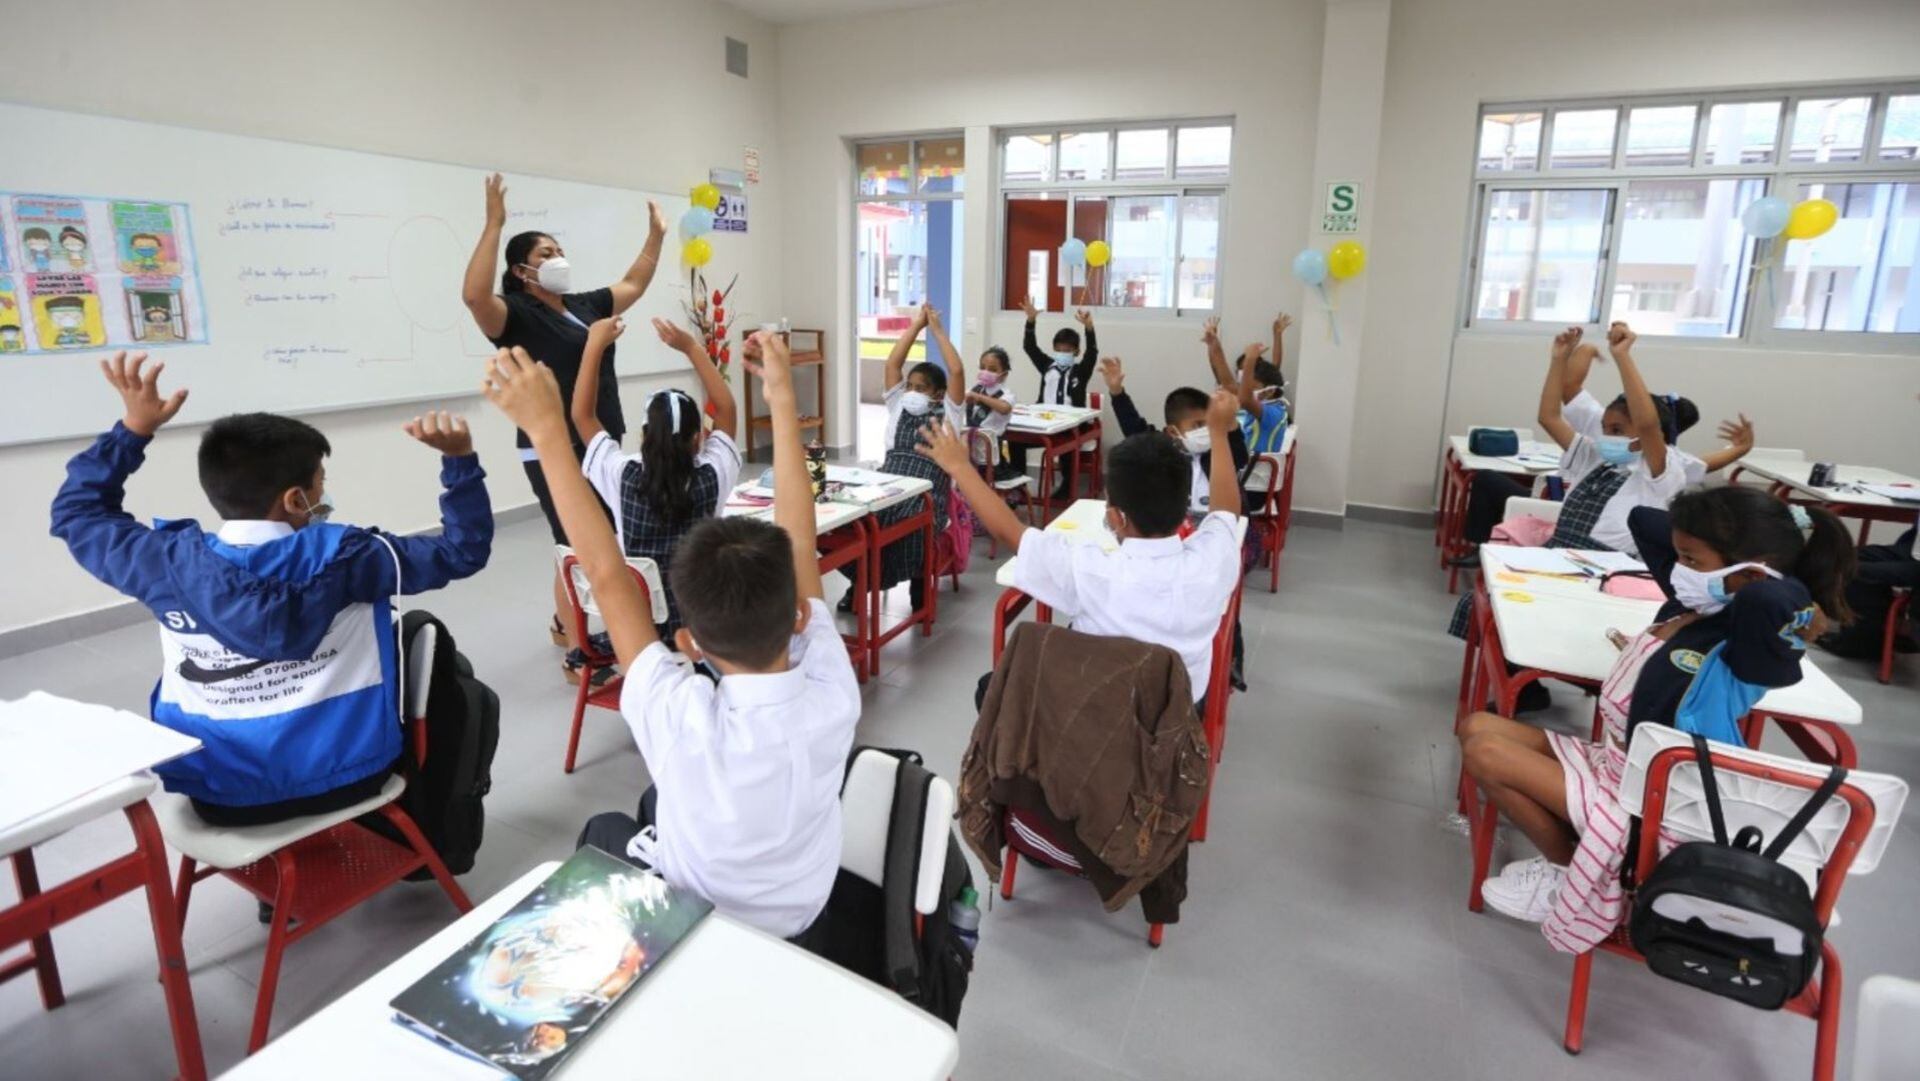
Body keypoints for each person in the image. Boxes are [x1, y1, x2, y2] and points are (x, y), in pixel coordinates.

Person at [485, 334, 859, 943]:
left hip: (707, 925)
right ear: (799, 617)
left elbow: (607, 576)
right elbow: (798, 531)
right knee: (655, 807)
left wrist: (549, 432)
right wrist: (782, 398)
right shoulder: (833, 685)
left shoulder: (680, 718)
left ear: (690, 643)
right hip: (806, 907)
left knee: (607, 827)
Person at [50, 352, 493, 825]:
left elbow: (77, 512)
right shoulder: (355, 557)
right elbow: (462, 550)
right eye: (320, 484)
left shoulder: (160, 561)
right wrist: (459, 460)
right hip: (348, 777)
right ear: (294, 499)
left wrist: (133, 430)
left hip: (219, 794)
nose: (322, 495)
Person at [1456, 488, 1854, 948]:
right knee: (1478, 727)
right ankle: (1589, 853)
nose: (1679, 569)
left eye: (1692, 559)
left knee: (1488, 753)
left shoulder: (1750, 641)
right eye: (1680, 555)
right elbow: (1644, 519)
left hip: (1668, 799)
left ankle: (1578, 877)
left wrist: (1766, 579)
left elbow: (1771, 601)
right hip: (1625, 765)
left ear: (1751, 573)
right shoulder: (1699, 605)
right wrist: (1717, 552)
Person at [923, 388, 1245, 706]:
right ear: (1183, 507)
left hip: (1093, 717)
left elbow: (1010, 532)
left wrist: (960, 468)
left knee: (990, 686)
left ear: (1116, 516)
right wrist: (1218, 433)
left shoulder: (1087, 569)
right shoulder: (1212, 561)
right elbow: (1225, 512)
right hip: (1175, 721)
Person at [461, 172, 667, 654]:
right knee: (574, 543)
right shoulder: (513, 314)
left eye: (557, 251)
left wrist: (655, 235)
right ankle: (577, 645)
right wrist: (494, 224)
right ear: (520, 271)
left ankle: (563, 619)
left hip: (599, 437)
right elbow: (474, 296)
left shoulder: (583, 303)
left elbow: (634, 281)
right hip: (552, 445)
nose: (557, 260)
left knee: (604, 534)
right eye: (544, 255)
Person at [1456, 328, 1752, 553]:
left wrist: (1622, 356)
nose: (1608, 436)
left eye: (1618, 430)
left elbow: (1649, 425)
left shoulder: (1659, 470)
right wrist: (1558, 360)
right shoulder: (1595, 456)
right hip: (1562, 549)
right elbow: (1549, 416)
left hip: (1605, 561)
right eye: (1606, 428)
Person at [572, 314, 739, 666]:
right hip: (701, 628)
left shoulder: (622, 476)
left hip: (635, 633)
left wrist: (594, 346)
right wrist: (691, 347)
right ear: (699, 439)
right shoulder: (713, 475)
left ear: (645, 437)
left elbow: (582, 416)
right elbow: (726, 408)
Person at [841, 303, 966, 614]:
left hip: (925, 495)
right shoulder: (898, 406)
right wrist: (916, 326)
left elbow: (957, 371)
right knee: (862, 522)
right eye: (909, 386)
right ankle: (859, 582)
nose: (911, 392)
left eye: (920, 388)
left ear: (938, 395)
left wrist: (936, 330)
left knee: (912, 528)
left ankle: (919, 583)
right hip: (889, 485)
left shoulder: (949, 414)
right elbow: (892, 364)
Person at [1100, 353, 1250, 519]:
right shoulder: (1164, 451)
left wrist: (1230, 423)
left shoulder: (1221, 451)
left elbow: (1241, 456)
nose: (1207, 430)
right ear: (1172, 432)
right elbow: (1133, 426)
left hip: (1218, 522)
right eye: (1198, 425)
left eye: (1209, 423)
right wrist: (1117, 393)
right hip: (1176, 524)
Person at [1199, 313, 1292, 459]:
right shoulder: (1261, 401)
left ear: (1270, 391)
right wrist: (1213, 343)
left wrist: (1250, 359)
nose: (1244, 390)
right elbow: (1228, 383)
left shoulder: (1274, 412)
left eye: (1251, 387)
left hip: (1253, 476)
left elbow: (1245, 398)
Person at [964, 345, 1019, 482]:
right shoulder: (975, 389)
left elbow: (1004, 407)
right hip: (970, 448)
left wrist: (980, 398)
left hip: (992, 453)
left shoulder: (1006, 395)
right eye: (983, 368)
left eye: (993, 369)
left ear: (1004, 374)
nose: (986, 372)